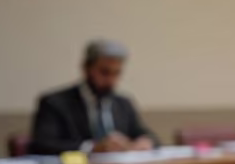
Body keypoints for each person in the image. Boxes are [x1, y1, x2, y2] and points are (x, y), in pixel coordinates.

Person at [30, 40, 158, 155]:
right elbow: (42, 144)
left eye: (117, 73)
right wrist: (92, 147)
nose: (111, 80)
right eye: (105, 72)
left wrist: (145, 142)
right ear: (86, 68)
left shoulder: (123, 103)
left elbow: (149, 136)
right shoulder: (55, 103)